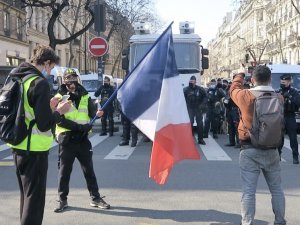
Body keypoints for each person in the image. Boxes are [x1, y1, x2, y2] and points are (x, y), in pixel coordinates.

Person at [9, 45, 71, 225]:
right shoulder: (40, 82)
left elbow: (29, 111)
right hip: (34, 149)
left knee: (26, 197)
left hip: (18, 145)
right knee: (34, 202)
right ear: (46, 62)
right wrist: (59, 111)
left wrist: (48, 106)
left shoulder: (19, 77)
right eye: (50, 66)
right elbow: (44, 124)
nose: (50, 70)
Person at [230, 67, 286, 225]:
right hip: (272, 149)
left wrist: (240, 74)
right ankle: (280, 221)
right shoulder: (279, 97)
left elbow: (233, 89)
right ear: (270, 80)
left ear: (252, 80)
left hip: (250, 149)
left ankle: (248, 222)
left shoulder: (246, 96)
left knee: (248, 191)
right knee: (276, 189)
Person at [53, 68, 110, 212]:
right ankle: (62, 200)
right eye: (68, 79)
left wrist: (98, 113)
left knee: (89, 170)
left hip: (83, 139)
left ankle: (95, 198)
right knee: (64, 172)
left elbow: (92, 114)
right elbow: (59, 120)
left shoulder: (85, 96)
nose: (71, 82)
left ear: (77, 79)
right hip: (67, 139)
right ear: (64, 81)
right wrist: (79, 127)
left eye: (73, 78)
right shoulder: (59, 96)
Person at [277, 74, 300, 164]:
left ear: (289, 82)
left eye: (284, 82)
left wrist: (290, 96)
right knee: (279, 138)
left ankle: (295, 156)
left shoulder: (294, 92)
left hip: (290, 116)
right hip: (280, 116)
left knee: (293, 138)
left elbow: (298, 102)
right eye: (281, 82)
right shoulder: (278, 91)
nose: (282, 83)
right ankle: (278, 155)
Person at [183, 75, 208, 144]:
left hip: (198, 108)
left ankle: (200, 139)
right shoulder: (186, 89)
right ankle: (189, 139)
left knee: (200, 124)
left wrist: (203, 104)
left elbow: (205, 97)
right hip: (190, 109)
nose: (191, 83)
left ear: (195, 82)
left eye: (193, 81)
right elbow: (182, 99)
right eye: (190, 81)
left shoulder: (200, 89)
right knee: (190, 124)